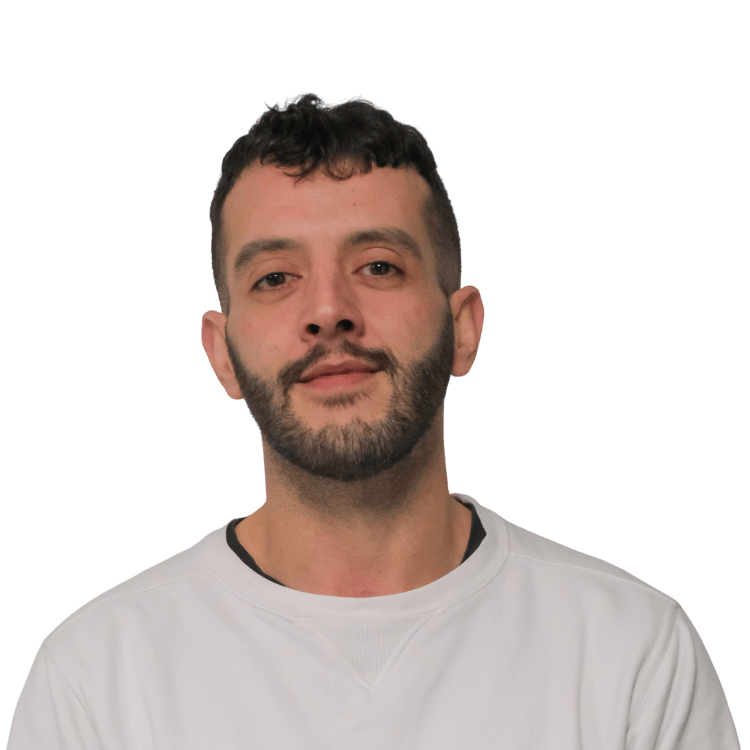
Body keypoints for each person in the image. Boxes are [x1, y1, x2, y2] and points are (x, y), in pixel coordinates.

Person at [8, 93, 740, 749]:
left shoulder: (632, 653)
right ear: (221, 354)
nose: (329, 310)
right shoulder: (96, 678)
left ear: (464, 328)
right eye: (275, 278)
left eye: (379, 266)